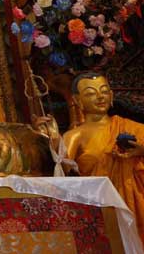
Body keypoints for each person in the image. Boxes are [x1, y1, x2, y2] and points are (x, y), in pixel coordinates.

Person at [41, 71, 144, 240]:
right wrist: (53, 139)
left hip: (137, 206)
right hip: (101, 208)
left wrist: (141, 152)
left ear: (111, 95)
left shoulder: (134, 128)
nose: (100, 97)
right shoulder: (75, 136)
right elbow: (64, 172)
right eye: (90, 93)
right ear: (76, 100)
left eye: (104, 91)